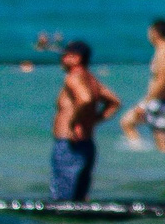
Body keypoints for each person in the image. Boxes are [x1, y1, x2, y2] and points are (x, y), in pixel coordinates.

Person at [51, 41, 120, 202]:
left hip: (69, 144)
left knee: (62, 200)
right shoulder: (91, 79)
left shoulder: (73, 78)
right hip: (86, 144)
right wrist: (93, 121)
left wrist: (73, 123)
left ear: (77, 58)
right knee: (79, 200)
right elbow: (114, 102)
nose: (62, 59)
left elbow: (85, 98)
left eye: (66, 55)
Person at [118, 18, 165, 152]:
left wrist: (144, 103)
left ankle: (138, 153)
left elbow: (162, 80)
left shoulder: (164, 53)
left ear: (154, 32)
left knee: (127, 122)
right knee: (162, 143)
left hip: (159, 100)